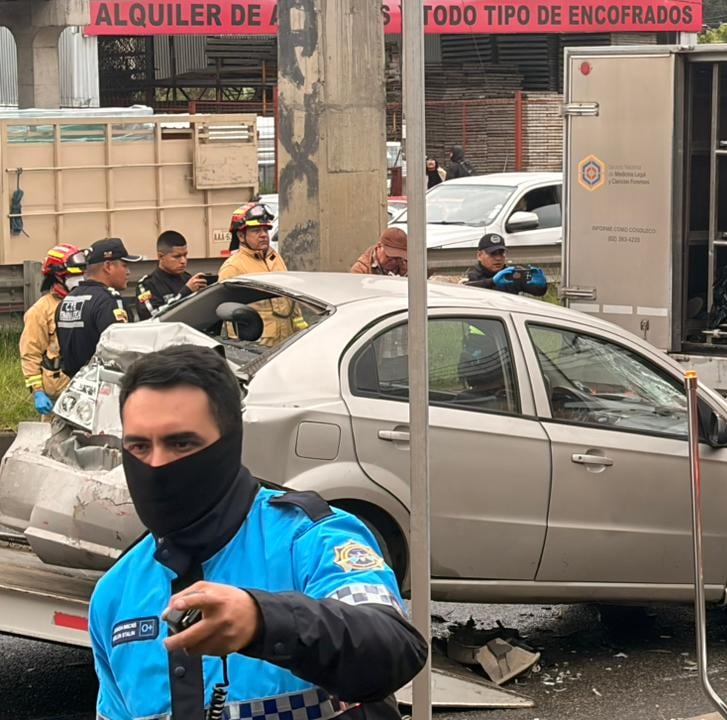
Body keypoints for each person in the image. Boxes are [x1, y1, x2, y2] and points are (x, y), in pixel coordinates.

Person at [89, 345, 428, 720]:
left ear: (231, 440)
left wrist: (264, 621)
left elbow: (392, 647)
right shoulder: (115, 593)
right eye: (138, 446)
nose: (156, 464)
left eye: (181, 443)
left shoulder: (312, 539)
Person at [218, 202, 305, 347]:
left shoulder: (275, 257)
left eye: (265, 230)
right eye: (256, 230)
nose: (264, 235)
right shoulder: (233, 267)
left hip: (287, 343)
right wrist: (241, 349)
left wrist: (301, 331)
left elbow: (290, 300)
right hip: (258, 350)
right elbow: (230, 317)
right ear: (241, 236)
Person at [56, 238, 140, 378]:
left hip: (75, 387)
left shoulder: (66, 301)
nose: (128, 272)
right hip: (105, 387)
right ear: (108, 266)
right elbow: (122, 352)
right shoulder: (110, 301)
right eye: (124, 265)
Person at [20, 244, 83, 416]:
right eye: (72, 275)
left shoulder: (85, 302)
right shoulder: (40, 311)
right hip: (57, 392)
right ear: (57, 277)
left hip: (85, 386)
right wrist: (38, 392)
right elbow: (30, 354)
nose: (79, 279)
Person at [136, 231, 208, 320]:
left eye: (185, 255)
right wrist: (185, 293)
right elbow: (152, 316)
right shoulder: (147, 284)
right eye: (177, 256)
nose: (183, 261)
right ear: (160, 256)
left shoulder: (188, 279)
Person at [464, 234, 547, 297]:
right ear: (479, 255)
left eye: (501, 253)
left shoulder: (512, 274)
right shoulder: (472, 276)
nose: (498, 258)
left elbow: (537, 292)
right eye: (492, 254)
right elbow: (465, 289)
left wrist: (541, 286)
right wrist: (491, 282)